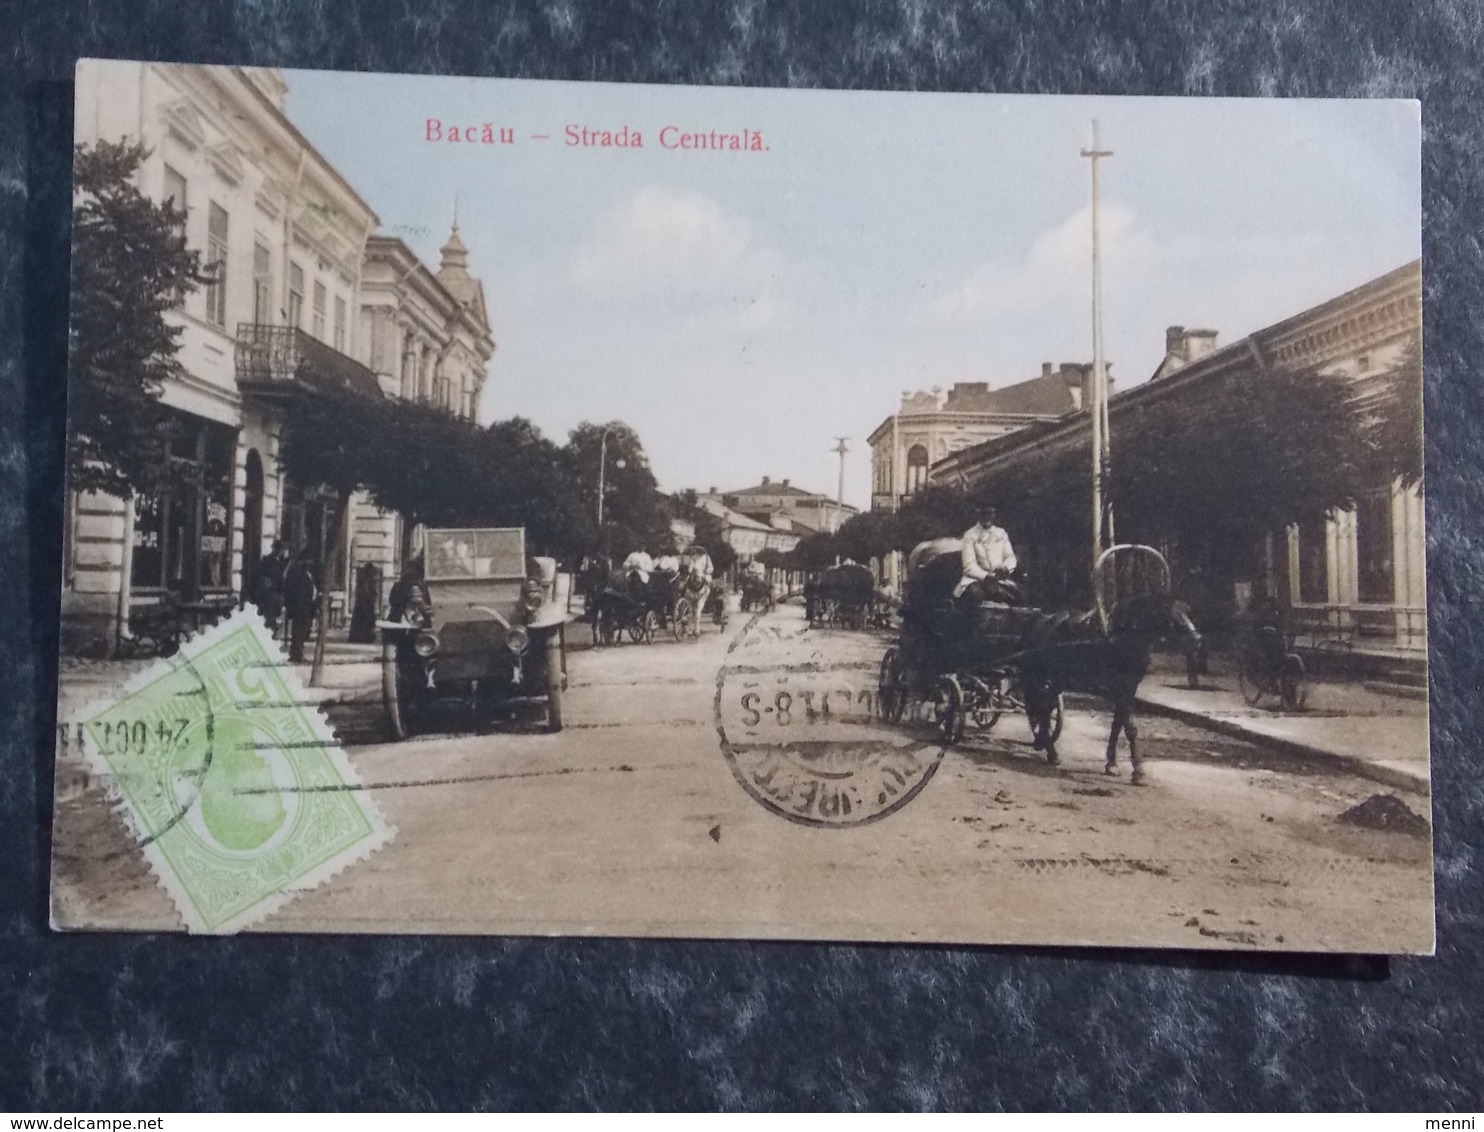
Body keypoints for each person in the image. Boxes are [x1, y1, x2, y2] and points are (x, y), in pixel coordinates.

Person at [953, 501, 1018, 606]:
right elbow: (969, 566)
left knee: (1020, 596)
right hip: (976, 580)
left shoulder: (1001, 533)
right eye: (983, 514)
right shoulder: (970, 535)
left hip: (999, 579)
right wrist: (986, 576)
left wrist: (1005, 567)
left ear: (994, 514)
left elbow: (1010, 557)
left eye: (990, 513)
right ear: (978, 515)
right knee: (976, 595)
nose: (987, 517)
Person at [283, 550, 319, 663]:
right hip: (301, 608)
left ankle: (297, 654)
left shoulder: (308, 574)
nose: (309, 564)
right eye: (307, 562)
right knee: (298, 632)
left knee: (302, 633)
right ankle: (297, 655)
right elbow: (295, 592)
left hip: (307, 607)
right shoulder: (298, 575)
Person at [255, 540, 289, 636]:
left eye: (281, 550)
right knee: (269, 617)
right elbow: (262, 577)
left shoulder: (282, 562)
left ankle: (274, 633)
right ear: (274, 549)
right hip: (269, 594)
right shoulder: (267, 561)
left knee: (277, 616)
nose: (280, 552)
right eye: (278, 549)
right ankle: (270, 634)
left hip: (279, 594)